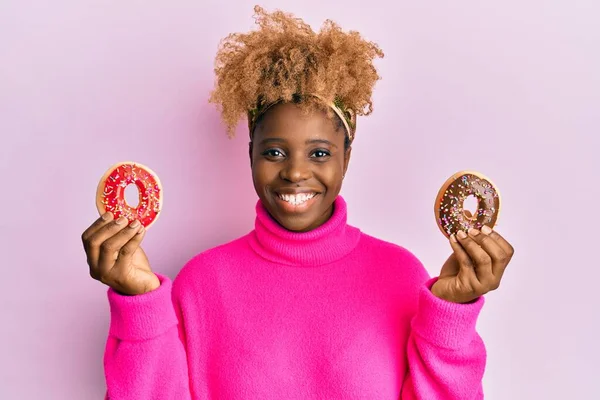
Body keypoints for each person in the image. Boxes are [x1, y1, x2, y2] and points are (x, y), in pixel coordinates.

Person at [81, 6, 514, 399]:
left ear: (347, 157)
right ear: (249, 152)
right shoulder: (201, 283)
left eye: (320, 153)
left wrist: (451, 315)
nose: (295, 172)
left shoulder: (401, 275)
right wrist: (139, 305)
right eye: (274, 152)